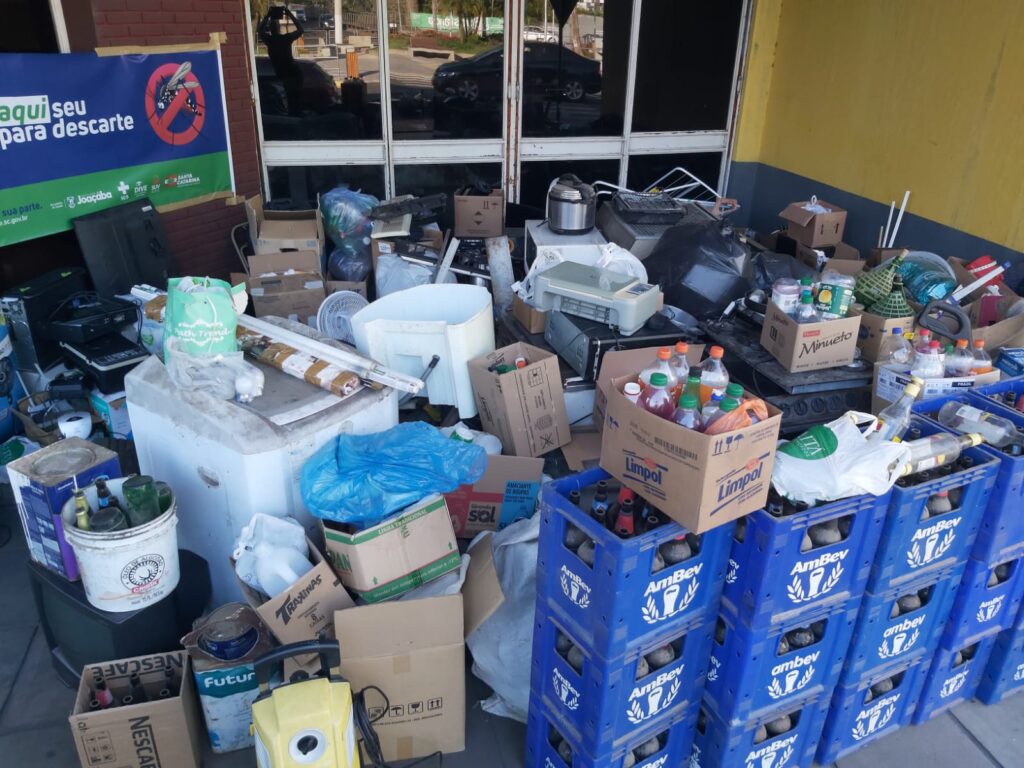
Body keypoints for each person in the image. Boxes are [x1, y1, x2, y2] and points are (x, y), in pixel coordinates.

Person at [259, 5, 305, 116]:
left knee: (292, 97)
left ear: (270, 29)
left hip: (287, 73)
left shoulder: (270, 40)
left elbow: (260, 31)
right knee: (294, 97)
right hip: (291, 72)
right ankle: (295, 114)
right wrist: (289, 14)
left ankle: (294, 114)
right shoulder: (284, 39)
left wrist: (268, 16)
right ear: (278, 28)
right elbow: (300, 30)